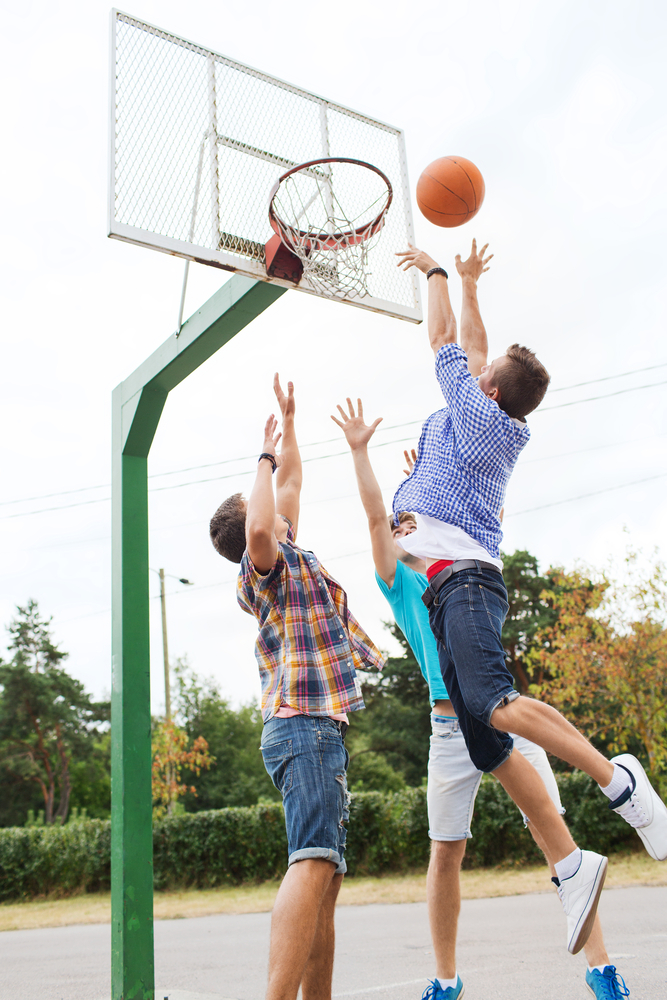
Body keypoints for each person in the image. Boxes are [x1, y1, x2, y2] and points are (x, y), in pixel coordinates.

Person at [389, 240, 667, 947]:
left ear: (486, 391)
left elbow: (445, 340)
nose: (473, 367)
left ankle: (619, 782)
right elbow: (477, 349)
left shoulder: (477, 415)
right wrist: (472, 284)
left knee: (496, 704)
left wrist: (436, 274)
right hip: (445, 588)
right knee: (486, 743)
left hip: (464, 581)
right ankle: (572, 867)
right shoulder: (486, 414)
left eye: (480, 374)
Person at [332, 398, 631, 1000]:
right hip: (449, 730)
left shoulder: (465, 569)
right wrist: (362, 453)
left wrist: (431, 484)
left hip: (501, 714)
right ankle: (446, 980)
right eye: (402, 524)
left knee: (554, 838)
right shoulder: (401, 583)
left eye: (414, 520)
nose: (407, 527)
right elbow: (373, 517)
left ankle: (601, 969)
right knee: (446, 855)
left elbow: (468, 501)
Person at [209, 375, 385, 1000]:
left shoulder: (291, 555)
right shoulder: (263, 567)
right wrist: (262, 455)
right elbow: (260, 526)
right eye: (264, 500)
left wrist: (288, 426)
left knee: (325, 879)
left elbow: (292, 486)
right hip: (302, 726)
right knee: (311, 860)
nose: (280, 506)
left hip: (317, 729)